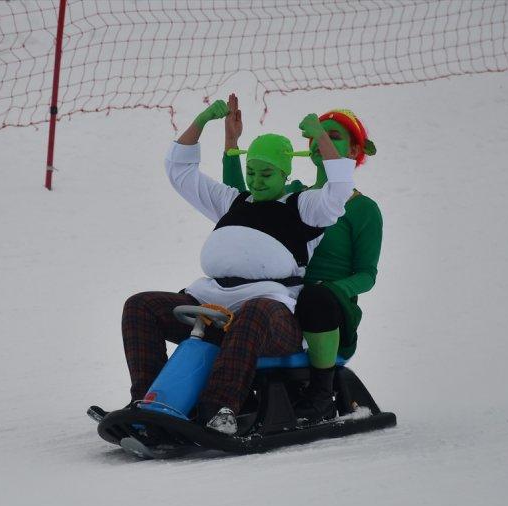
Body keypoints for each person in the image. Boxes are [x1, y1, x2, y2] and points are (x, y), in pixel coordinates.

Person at [122, 96, 357, 435]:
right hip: (212, 305)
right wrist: (202, 121)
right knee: (141, 306)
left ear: (285, 172)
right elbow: (180, 172)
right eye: (251, 172)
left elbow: (338, 190)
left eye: (266, 173)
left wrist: (321, 136)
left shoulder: (303, 206)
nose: (257, 181)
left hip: (271, 317)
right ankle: (149, 404)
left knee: (253, 311)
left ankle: (220, 410)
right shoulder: (232, 201)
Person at [223, 95, 381, 422]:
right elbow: (240, 207)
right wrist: (232, 145)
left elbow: (367, 275)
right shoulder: (294, 196)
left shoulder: (363, 209)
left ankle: (322, 394)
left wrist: (332, 289)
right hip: (285, 300)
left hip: (329, 310)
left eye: (332, 136)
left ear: (354, 152)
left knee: (315, 296)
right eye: (316, 136)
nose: (319, 141)